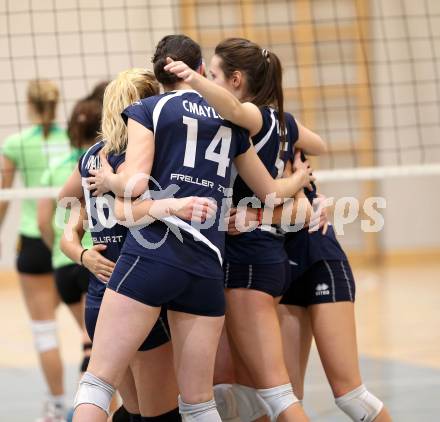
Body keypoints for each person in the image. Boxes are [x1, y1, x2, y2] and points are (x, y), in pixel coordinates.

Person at [73, 34, 314, 422]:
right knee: (199, 404)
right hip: (206, 267)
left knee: (97, 383)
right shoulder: (230, 122)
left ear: (158, 75)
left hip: (152, 256)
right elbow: (269, 192)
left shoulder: (148, 109)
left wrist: (109, 179)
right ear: (199, 70)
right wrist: (299, 180)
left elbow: (133, 188)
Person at [165, 37, 326, 422]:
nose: (209, 80)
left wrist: (191, 79)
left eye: (215, 75)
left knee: (275, 391)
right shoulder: (281, 121)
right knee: (245, 388)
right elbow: (319, 143)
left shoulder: (251, 115)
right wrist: (298, 172)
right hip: (262, 254)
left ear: (236, 80)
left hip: (249, 259)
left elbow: (236, 109)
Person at [59, 68, 182, 422]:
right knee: (158, 414)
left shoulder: (90, 158)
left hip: (99, 300)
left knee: (131, 411)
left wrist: (84, 256)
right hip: (136, 297)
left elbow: (65, 213)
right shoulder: (145, 160)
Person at [278, 174, 393, 421]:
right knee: (287, 400)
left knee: (351, 395)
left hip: (321, 259)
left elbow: (312, 145)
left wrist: (300, 179)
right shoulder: (238, 154)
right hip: (280, 267)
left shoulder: (284, 142)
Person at [0, 79, 71, 422]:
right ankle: (104, 404)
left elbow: (3, 195)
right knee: (93, 333)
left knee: (44, 330)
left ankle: (56, 406)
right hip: (69, 241)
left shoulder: (15, 143)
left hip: (32, 243)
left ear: (28, 104)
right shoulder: (71, 140)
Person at [37, 98, 100, 393]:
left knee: (91, 345)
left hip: (64, 265)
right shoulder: (103, 161)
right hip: (95, 259)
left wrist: (56, 251)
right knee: (99, 351)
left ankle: (76, 408)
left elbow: (43, 221)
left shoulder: (57, 166)